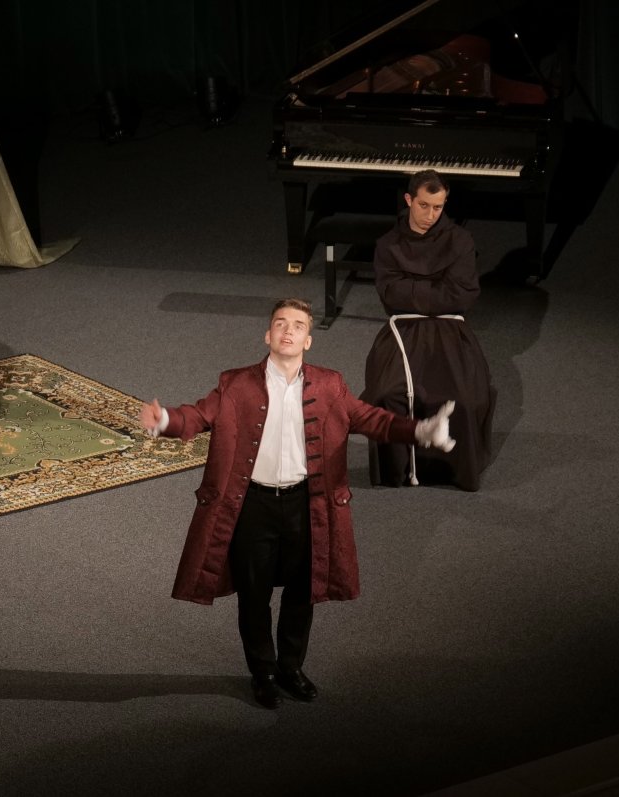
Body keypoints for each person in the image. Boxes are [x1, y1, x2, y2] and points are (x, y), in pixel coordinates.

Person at [138, 298, 454, 709]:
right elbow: (197, 416)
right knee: (254, 596)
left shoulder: (330, 385)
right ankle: (264, 673)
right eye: (280, 323)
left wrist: (421, 431)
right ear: (267, 335)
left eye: (298, 325)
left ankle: (290, 668)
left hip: (308, 506)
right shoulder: (235, 384)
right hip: (253, 506)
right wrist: (165, 421)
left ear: (307, 341)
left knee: (303, 592)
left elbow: (372, 420)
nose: (288, 330)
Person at [361, 169, 496, 491]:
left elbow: (462, 295)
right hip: (404, 329)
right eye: (424, 205)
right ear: (409, 200)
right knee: (385, 395)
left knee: (464, 400)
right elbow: (390, 295)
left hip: (449, 330)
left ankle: (451, 472)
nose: (431, 215)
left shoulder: (460, 240)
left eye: (438, 207)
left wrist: (412, 289)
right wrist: (437, 291)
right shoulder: (388, 244)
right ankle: (397, 471)